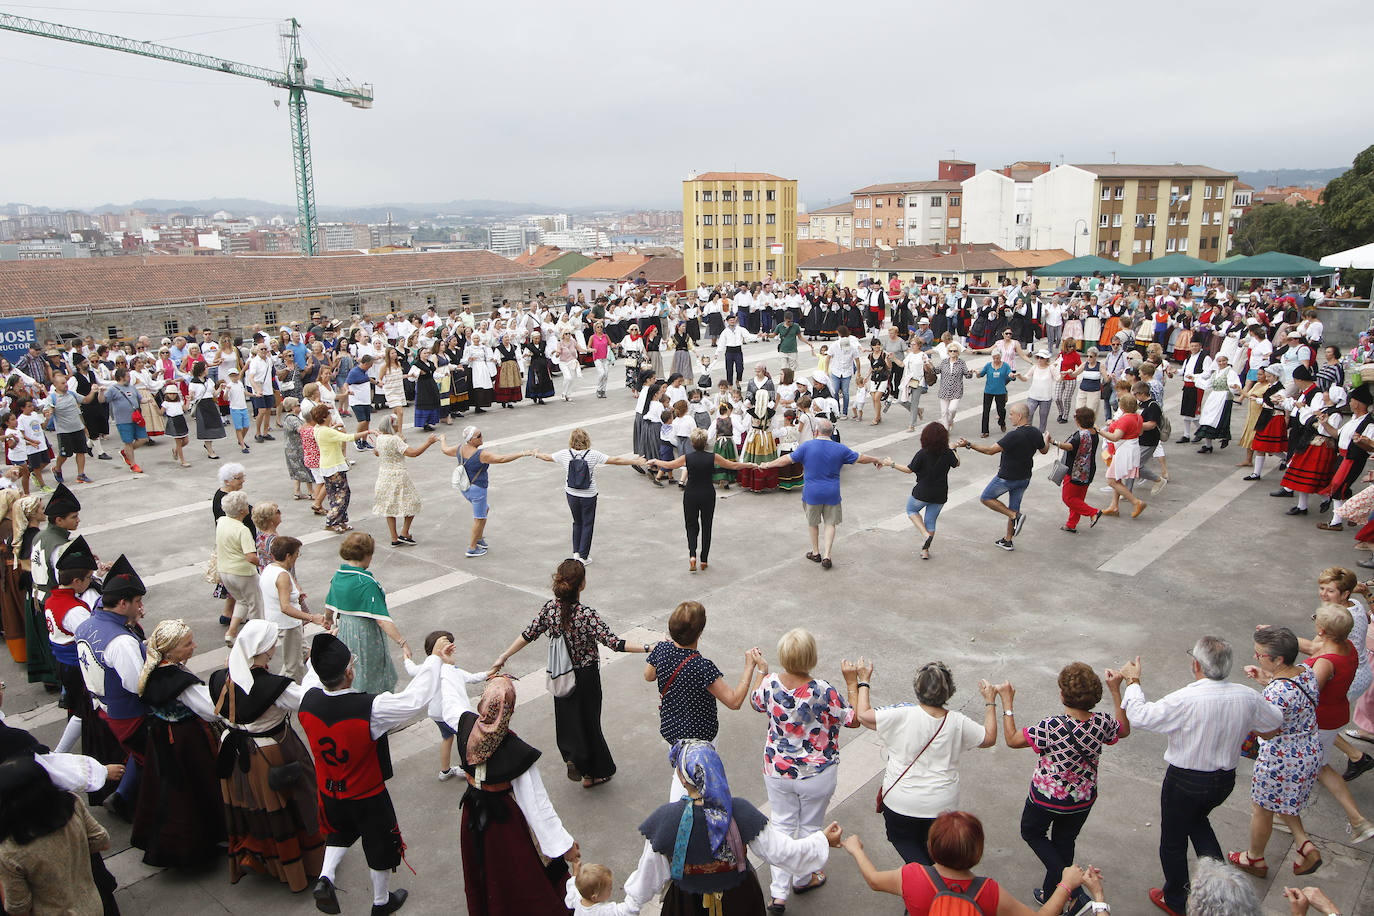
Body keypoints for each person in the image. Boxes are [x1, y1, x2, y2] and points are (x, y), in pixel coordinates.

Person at [1115, 636, 1284, 916]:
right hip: (1223, 781)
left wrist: (1133, 683)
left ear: (1196, 665)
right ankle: (1222, 889)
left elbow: (1141, 717)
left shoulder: (1187, 697)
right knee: (1196, 821)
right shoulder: (1246, 696)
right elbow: (1273, 723)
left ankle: (1176, 899)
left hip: (1185, 781)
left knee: (1173, 840)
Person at [301, 631, 450, 916]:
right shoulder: (370, 708)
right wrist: (433, 660)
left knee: (339, 831)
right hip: (366, 794)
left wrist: (322, 651)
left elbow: (311, 674)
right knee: (380, 845)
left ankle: (326, 878)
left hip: (330, 790)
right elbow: (415, 700)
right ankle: (381, 902)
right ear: (349, 673)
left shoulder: (307, 699)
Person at [621, 739, 841, 914]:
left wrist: (628, 908)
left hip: (687, 904)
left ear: (683, 777)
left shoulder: (667, 819)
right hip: (740, 901)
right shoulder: (739, 811)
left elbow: (649, 873)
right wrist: (822, 840)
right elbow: (783, 852)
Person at [491, 559, 650, 787]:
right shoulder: (586, 615)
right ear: (582, 585)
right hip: (585, 676)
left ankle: (574, 757)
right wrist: (648, 647)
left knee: (568, 721)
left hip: (560, 675)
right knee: (590, 723)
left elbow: (528, 634)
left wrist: (504, 656)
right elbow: (615, 643)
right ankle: (593, 773)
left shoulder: (550, 610)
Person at [998, 665, 1129, 909]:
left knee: (1032, 832)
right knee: (1064, 842)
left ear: (1062, 694)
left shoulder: (1052, 726)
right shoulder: (1102, 722)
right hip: (1082, 799)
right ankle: (1052, 898)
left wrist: (1007, 702)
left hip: (1046, 797)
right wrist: (1116, 691)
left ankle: (1075, 890)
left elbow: (1012, 739)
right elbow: (1124, 730)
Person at [845, 658, 997, 865]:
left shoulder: (902, 714)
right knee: (937, 851)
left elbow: (863, 715)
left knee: (904, 842)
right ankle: (933, 877)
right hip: (942, 806)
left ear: (917, 688)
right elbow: (988, 738)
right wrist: (990, 702)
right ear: (949, 691)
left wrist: (863, 680)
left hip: (900, 803)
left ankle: (926, 880)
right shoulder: (958, 722)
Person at [450, 675, 578, 916]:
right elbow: (537, 805)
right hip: (503, 821)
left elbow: (449, 706)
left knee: (485, 870)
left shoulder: (466, 726)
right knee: (519, 873)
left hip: (473, 815)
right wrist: (563, 845)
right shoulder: (515, 750)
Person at [748, 630, 853, 911]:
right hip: (817, 772)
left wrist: (762, 671)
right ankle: (804, 877)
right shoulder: (823, 689)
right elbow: (852, 719)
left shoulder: (770, 684)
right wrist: (853, 683)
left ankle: (778, 893)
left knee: (781, 826)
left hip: (777, 769)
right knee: (809, 826)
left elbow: (756, 703)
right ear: (812, 657)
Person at [837, 810, 1105, 916]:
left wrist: (856, 849)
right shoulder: (989, 891)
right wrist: (1066, 885)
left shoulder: (912, 875)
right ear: (978, 852)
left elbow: (873, 880)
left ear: (931, 847)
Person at [1229, 625, 1323, 879]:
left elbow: (1267, 731)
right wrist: (1265, 678)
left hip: (1281, 759)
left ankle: (1254, 858)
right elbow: (1290, 696)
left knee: (1262, 807)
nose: (1256, 657)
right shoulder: (1307, 673)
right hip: (1308, 752)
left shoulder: (1276, 692)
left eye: (1260, 655)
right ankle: (1305, 845)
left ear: (1278, 659)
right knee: (1284, 802)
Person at [133, 618, 224, 867]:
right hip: (186, 739)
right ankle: (194, 845)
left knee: (166, 787)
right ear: (171, 650)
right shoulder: (179, 682)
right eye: (187, 644)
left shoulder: (154, 670)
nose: (194, 646)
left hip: (162, 735)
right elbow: (211, 710)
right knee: (193, 787)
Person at [72, 555, 150, 824]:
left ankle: (120, 796)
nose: (140, 608)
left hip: (103, 707)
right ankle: (140, 806)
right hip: (128, 712)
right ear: (122, 603)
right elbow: (137, 684)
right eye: (137, 602)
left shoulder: (86, 625)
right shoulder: (121, 641)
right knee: (155, 754)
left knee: (137, 754)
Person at [760, 420, 886, 569]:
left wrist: (767, 464)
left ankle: (815, 552)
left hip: (812, 492)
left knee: (813, 523)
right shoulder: (840, 449)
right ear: (832, 433)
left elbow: (786, 460)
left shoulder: (807, 446)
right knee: (830, 523)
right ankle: (827, 555)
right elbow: (861, 458)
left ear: (816, 432)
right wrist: (876, 459)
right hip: (832, 492)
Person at [645, 601, 757, 767]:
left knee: (682, 773)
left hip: (672, 731)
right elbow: (734, 701)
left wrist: (662, 646)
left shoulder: (662, 649)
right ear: (700, 632)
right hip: (701, 737)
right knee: (701, 780)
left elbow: (648, 676)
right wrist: (749, 667)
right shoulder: (702, 667)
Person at [0, 756, 112, 916]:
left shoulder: (10, 850)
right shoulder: (72, 804)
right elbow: (102, 842)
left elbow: (19, 908)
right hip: (92, 905)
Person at [531, 428, 646, 564]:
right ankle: (583, 557)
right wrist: (636, 461)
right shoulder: (593, 455)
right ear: (587, 440)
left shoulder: (565, 454)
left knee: (577, 522)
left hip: (571, 493)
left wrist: (536, 454)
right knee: (587, 524)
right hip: (588, 494)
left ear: (571, 441)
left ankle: (575, 553)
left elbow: (547, 457)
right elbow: (615, 460)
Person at [325, 532, 410, 696]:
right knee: (370, 671)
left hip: (345, 631)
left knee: (350, 669)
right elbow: (382, 620)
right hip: (365, 634)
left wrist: (328, 620)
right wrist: (402, 642)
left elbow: (329, 604)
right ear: (366, 555)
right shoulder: (366, 583)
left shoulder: (338, 576)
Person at [649, 428, 745, 571]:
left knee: (691, 525)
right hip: (707, 494)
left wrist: (655, 460)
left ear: (692, 443)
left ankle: (692, 555)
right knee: (707, 525)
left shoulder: (687, 457)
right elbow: (733, 465)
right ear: (706, 443)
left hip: (691, 494)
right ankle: (704, 559)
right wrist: (751, 465)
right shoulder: (713, 457)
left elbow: (669, 465)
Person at [959, 403, 1049, 551]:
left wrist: (969, 444)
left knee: (986, 498)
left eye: (1012, 413)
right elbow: (1044, 450)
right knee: (1014, 507)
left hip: (1007, 477)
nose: (1010, 416)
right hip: (1024, 477)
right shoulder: (1035, 432)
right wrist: (1046, 439)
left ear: (1020, 416)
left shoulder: (1014, 435)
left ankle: (1015, 516)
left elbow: (990, 450)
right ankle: (1008, 540)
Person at [441, 425, 534, 559]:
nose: (481, 437)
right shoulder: (481, 454)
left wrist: (443, 439)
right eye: (478, 436)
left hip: (465, 488)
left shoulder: (460, 448)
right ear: (471, 440)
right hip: (478, 489)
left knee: (485, 509)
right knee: (479, 518)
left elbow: (445, 450)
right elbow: (501, 459)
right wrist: (523, 453)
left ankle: (478, 538)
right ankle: (472, 547)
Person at [369, 413, 438, 548]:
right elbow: (413, 453)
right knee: (412, 502)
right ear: (391, 425)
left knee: (389, 506)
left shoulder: (380, 438)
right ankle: (405, 532)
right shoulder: (395, 440)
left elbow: (376, 453)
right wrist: (428, 442)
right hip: (398, 475)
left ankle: (394, 537)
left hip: (383, 475)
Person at [309, 404, 372, 533]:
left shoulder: (318, 428)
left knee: (335, 494)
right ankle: (331, 521)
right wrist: (367, 432)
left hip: (327, 466)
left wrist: (333, 427)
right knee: (342, 495)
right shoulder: (327, 431)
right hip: (334, 466)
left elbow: (328, 432)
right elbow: (347, 437)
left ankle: (341, 521)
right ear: (325, 417)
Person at [218, 490, 263, 645]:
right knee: (256, 607)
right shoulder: (242, 529)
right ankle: (255, 641)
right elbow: (250, 556)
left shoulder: (222, 521)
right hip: (243, 573)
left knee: (241, 601)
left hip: (225, 571)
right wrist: (267, 564)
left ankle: (231, 632)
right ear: (243, 510)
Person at [1050, 408, 1102, 532]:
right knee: (1078, 499)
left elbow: (1069, 446)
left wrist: (1054, 442)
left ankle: (1093, 512)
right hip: (1089, 470)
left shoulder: (1081, 435)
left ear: (1079, 421)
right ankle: (1071, 524)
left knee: (1068, 498)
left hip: (1076, 471)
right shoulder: (1094, 432)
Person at [1097, 392, 1148, 519]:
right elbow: (1140, 432)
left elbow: (1115, 437)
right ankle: (1114, 506)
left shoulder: (1125, 419)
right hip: (1131, 448)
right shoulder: (1138, 417)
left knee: (1111, 480)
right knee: (1117, 478)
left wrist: (1100, 431)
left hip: (1124, 450)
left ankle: (1136, 502)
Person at [933, 342, 975, 430]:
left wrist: (970, 373)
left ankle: (950, 420)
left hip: (956, 390)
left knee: (952, 409)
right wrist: (929, 365)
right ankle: (946, 430)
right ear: (948, 352)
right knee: (944, 412)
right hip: (944, 390)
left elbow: (967, 375)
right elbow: (936, 371)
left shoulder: (961, 363)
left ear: (958, 352)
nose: (952, 352)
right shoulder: (944, 362)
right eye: (950, 351)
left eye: (955, 351)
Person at [977, 350, 1015, 438]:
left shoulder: (1005, 366)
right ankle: (985, 431)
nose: (996, 360)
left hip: (1000, 391)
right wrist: (977, 373)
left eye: (997, 358)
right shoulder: (988, 365)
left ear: (1000, 357)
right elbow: (981, 374)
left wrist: (1012, 375)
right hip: (988, 391)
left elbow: (1010, 374)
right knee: (986, 411)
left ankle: (1002, 422)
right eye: (994, 358)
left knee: (1001, 410)